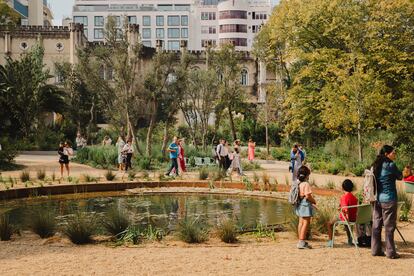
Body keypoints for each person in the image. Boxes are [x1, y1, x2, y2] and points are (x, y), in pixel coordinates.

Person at [371, 145, 402, 259]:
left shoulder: (376, 165)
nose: (395, 154)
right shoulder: (391, 165)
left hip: (377, 199)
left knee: (376, 226)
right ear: (386, 154)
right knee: (389, 227)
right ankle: (390, 252)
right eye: (393, 153)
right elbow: (400, 176)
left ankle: (375, 250)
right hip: (389, 199)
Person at [326, 179, 358, 247]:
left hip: (346, 218)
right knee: (347, 225)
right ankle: (350, 240)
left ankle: (330, 241)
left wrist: (346, 219)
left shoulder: (344, 197)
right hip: (354, 218)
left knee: (329, 223)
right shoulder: (354, 197)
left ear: (343, 187)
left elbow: (345, 210)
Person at [295, 166, 316, 249]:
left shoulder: (298, 183)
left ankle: (300, 240)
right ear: (307, 175)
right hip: (305, 204)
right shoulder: (306, 184)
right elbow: (308, 196)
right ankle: (302, 241)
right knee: (306, 223)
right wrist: (314, 201)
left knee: (300, 222)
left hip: (299, 204)